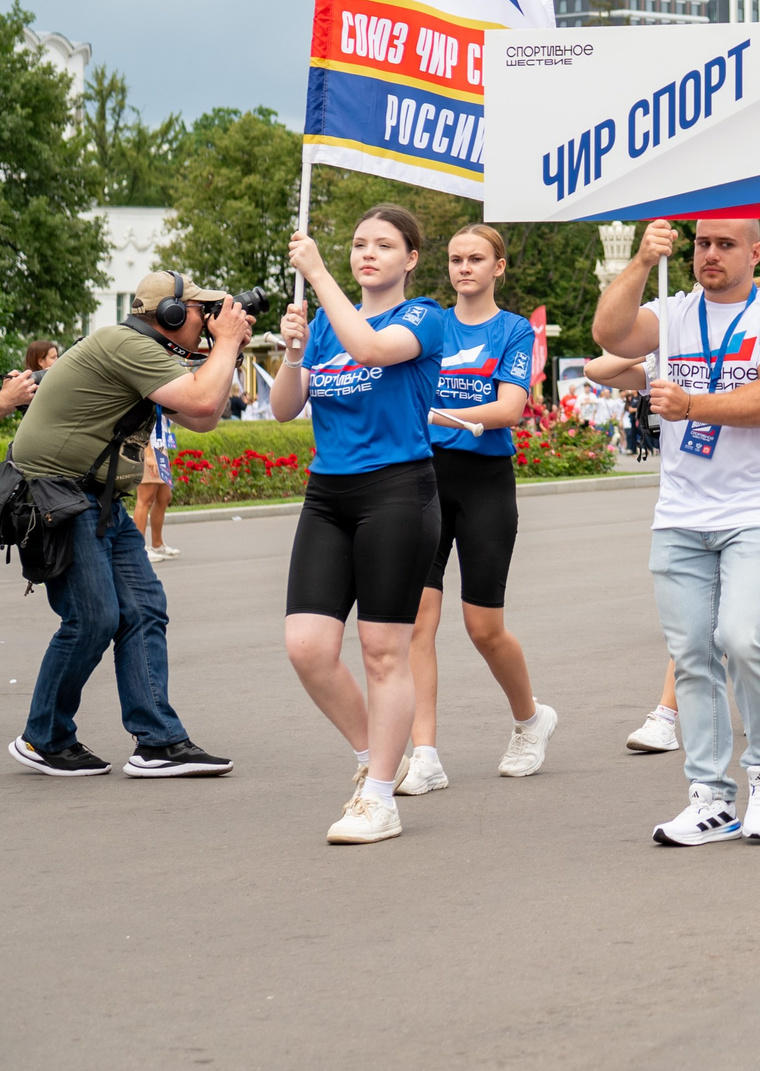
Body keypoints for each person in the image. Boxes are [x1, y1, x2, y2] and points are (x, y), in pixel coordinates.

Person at [593, 217, 760, 847]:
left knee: (744, 638)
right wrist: (640, 261)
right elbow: (608, 332)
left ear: (756, 251)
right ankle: (711, 799)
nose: (710, 255)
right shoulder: (671, 313)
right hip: (682, 513)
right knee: (693, 653)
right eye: (702, 244)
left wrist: (692, 404)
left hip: (758, 508)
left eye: (725, 245)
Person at [5, 271, 245, 781]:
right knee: (92, 618)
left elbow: (203, 417)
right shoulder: (125, 343)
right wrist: (224, 345)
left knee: (142, 609)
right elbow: (203, 404)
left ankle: (158, 742)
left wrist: (227, 352)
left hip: (98, 500)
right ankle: (44, 737)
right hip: (60, 494)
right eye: (200, 311)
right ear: (170, 315)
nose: (207, 321)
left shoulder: (154, 353)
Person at [271, 207, 454, 843]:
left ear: (410, 259)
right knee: (308, 648)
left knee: (382, 652)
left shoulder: (424, 316)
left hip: (397, 493)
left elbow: (373, 348)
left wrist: (317, 273)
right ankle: (372, 756)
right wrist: (294, 352)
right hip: (328, 494)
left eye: (384, 245)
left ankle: (380, 798)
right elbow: (283, 407)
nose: (366, 253)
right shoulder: (325, 324)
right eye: (357, 244)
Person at [398, 224, 553, 798]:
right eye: (457, 259)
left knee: (484, 628)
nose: (464, 268)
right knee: (417, 621)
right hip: (424, 478)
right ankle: (426, 754)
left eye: (476, 259)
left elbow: (511, 408)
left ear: (498, 268)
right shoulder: (427, 324)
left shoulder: (513, 331)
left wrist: (438, 415)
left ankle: (530, 720)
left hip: (486, 481)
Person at [132, 406, 177, 563]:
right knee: (146, 499)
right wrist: (149, 455)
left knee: (164, 497)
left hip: (161, 447)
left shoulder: (163, 397)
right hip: (149, 448)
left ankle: (157, 544)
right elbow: (141, 425)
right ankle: (139, 548)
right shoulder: (148, 396)